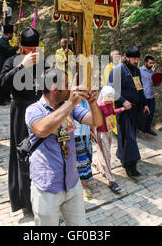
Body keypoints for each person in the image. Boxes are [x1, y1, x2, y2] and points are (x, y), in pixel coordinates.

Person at [25, 68, 103, 226]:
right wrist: (70, 103)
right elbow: (41, 129)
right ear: (54, 89)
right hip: (47, 186)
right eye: (67, 85)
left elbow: (97, 121)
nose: (71, 88)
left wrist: (93, 104)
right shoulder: (34, 110)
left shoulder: (71, 108)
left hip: (72, 183)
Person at [0, 27, 46, 214]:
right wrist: (21, 66)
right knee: (23, 151)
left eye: (35, 48)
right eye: (28, 49)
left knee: (41, 150)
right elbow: (2, 83)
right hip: (20, 110)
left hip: (39, 110)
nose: (32, 53)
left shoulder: (41, 61)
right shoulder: (11, 61)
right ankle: (25, 200)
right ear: (21, 47)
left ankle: (42, 192)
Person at [108, 46, 150, 178]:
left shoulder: (136, 70)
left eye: (138, 58)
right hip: (123, 109)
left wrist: (145, 104)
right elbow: (110, 90)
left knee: (128, 136)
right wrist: (122, 100)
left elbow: (140, 88)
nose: (136, 60)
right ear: (126, 57)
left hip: (136, 109)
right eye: (134, 58)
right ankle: (131, 166)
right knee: (128, 136)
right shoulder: (118, 70)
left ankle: (123, 157)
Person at [94, 86, 124, 194]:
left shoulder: (110, 103)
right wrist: (93, 132)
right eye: (109, 96)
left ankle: (100, 167)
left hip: (109, 130)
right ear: (104, 95)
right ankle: (111, 180)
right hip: (101, 132)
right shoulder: (99, 105)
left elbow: (112, 113)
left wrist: (122, 109)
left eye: (112, 96)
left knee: (104, 152)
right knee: (106, 154)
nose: (111, 98)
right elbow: (94, 119)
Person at [0, 24, 19, 105]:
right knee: (0, 82)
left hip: (2, 63)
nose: (12, 36)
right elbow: (9, 50)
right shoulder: (3, 41)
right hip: (1, 65)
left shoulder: (4, 40)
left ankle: (4, 97)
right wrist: (16, 48)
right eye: (11, 34)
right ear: (8, 34)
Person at [74, 99, 94, 199]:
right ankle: (83, 185)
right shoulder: (72, 102)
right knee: (81, 162)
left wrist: (92, 131)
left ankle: (83, 179)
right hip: (76, 135)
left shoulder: (86, 102)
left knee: (88, 158)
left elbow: (91, 117)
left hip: (86, 134)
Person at [139, 55, 157, 136]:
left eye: (153, 63)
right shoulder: (139, 71)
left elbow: (155, 85)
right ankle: (138, 129)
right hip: (143, 96)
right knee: (141, 113)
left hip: (151, 96)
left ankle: (148, 128)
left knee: (151, 112)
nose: (151, 65)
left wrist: (158, 83)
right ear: (145, 62)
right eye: (150, 63)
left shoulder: (153, 73)